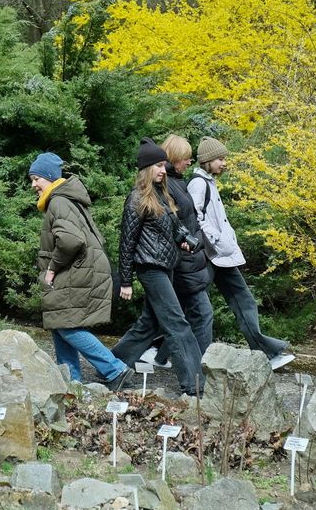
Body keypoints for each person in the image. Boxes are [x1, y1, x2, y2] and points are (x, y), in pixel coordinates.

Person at [29, 152, 133, 390]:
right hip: (82, 270)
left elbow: (71, 240)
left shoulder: (58, 201)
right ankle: (71, 382)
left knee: (67, 325)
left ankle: (115, 370)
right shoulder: (65, 199)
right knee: (60, 323)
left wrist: (52, 268)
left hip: (77, 272)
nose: (33, 185)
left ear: (49, 177)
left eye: (36, 179)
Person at [188, 136, 294, 369]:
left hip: (219, 257)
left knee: (243, 300)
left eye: (224, 158)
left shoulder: (209, 182)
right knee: (195, 305)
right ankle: (158, 349)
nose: (224, 163)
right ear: (207, 160)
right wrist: (216, 240)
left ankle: (266, 353)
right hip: (211, 256)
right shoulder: (198, 184)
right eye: (219, 159)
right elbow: (194, 218)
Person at [111, 135, 213, 370]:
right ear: (147, 168)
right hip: (152, 267)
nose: (163, 170)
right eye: (158, 165)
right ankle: (195, 380)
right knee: (179, 322)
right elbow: (127, 242)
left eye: (163, 165)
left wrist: (187, 241)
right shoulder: (137, 198)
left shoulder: (162, 193)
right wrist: (126, 281)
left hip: (168, 265)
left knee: (149, 323)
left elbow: (173, 228)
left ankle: (111, 365)